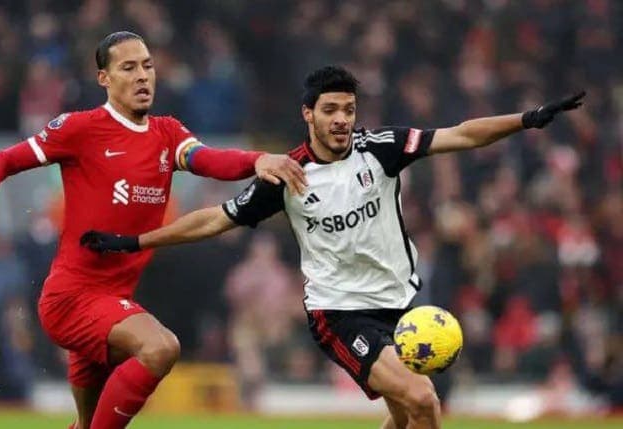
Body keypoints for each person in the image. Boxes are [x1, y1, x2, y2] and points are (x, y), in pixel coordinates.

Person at [82, 65, 585, 429]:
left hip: (400, 304)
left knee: (407, 415)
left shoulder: (381, 148)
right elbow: (215, 219)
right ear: (309, 114)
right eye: (331, 110)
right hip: (340, 312)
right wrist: (136, 241)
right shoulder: (287, 175)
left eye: (348, 109)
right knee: (424, 400)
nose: (342, 118)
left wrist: (527, 118)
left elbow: (461, 135)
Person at [0, 31, 306, 429]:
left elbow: (209, 160)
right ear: (104, 78)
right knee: (162, 347)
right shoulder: (80, 129)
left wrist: (257, 160)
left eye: (148, 66)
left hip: (114, 298)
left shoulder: (167, 134)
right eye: (128, 67)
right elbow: (3, 160)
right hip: (73, 298)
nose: (142, 77)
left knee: (85, 424)